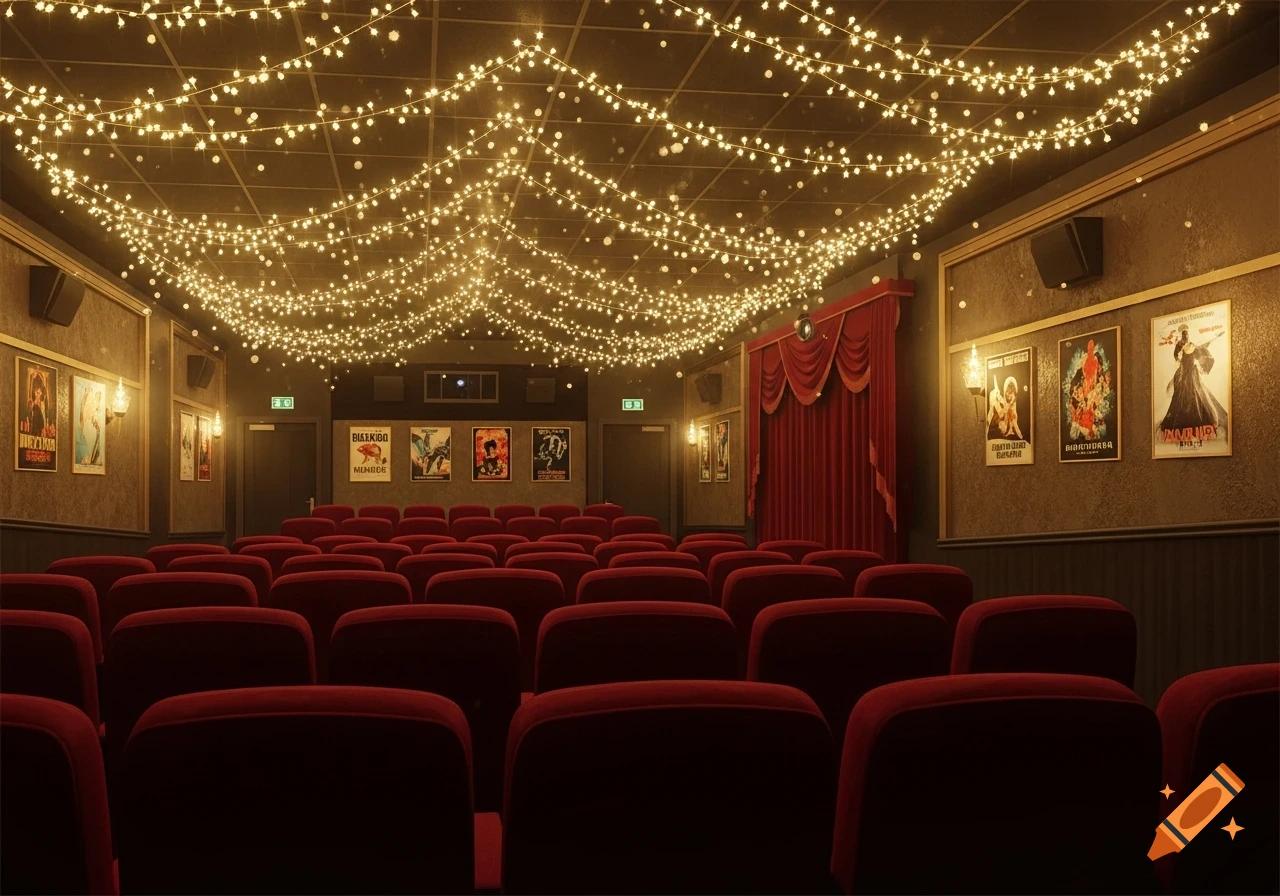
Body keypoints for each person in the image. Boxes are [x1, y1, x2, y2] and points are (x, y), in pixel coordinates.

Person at [1158, 324, 1228, 436]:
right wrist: (1180, 355)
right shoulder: (1179, 345)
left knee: (1196, 392)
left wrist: (1199, 354)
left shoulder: (1193, 345)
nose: (1186, 336)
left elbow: (1199, 353)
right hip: (1183, 372)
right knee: (1180, 394)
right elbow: (1176, 357)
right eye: (1184, 334)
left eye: (1187, 334)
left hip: (1192, 372)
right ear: (1182, 335)